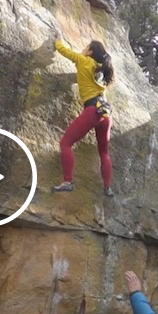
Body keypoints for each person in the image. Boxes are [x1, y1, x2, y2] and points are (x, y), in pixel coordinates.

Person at [52, 34, 115, 196]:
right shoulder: (100, 70)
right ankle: (107, 187)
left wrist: (58, 39)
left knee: (65, 143)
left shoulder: (84, 60)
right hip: (106, 112)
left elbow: (64, 51)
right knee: (104, 152)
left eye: (85, 47)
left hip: (92, 110)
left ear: (90, 52)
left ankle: (68, 182)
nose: (82, 49)